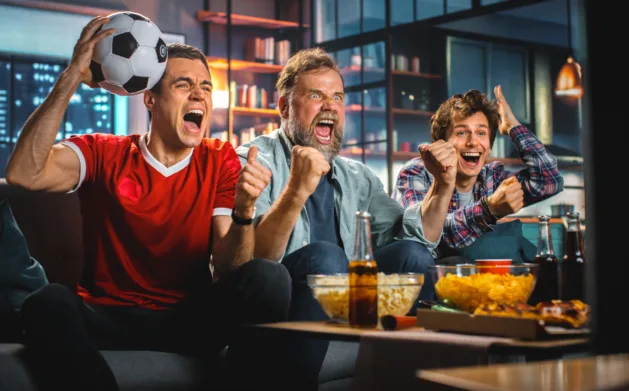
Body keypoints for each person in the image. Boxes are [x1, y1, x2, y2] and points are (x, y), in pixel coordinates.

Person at [4, 16, 290, 391]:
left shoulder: (220, 158)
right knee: (46, 303)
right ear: (150, 98)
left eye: (206, 87)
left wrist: (244, 211)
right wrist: (72, 76)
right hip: (106, 317)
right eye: (184, 84)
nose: (199, 95)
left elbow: (228, 268)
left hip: (185, 322)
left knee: (270, 278)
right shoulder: (104, 152)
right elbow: (24, 174)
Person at [235, 47, 441, 388]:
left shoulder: (356, 175)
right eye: (316, 95)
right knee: (326, 255)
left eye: (337, 97)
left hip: (348, 299)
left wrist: (443, 185)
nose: (330, 106)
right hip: (286, 302)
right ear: (285, 107)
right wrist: (297, 188)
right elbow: (258, 261)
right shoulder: (255, 159)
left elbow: (415, 240)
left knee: (414, 257)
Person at [392, 87, 564, 263]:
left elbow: (548, 180)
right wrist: (488, 210)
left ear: (489, 145)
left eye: (481, 133)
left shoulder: (492, 178)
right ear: (441, 144)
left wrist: (513, 127)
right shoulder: (416, 173)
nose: (473, 142)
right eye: (461, 132)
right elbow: (426, 237)